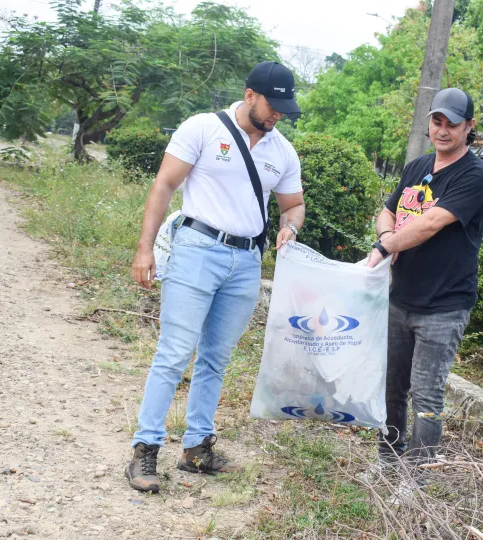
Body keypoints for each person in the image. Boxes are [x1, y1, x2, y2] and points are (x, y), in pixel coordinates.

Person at [125, 61, 306, 494]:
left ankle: (197, 448)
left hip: (245, 262)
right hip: (196, 250)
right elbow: (164, 186)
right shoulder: (203, 128)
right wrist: (145, 248)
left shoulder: (282, 151)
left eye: (285, 107)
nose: (278, 114)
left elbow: (293, 204)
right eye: (272, 104)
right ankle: (145, 449)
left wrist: (290, 226)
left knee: (215, 358)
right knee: (174, 352)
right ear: (249, 96)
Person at [361, 88, 483, 493]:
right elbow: (389, 210)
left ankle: (415, 481)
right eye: (437, 121)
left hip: (444, 306)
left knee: (427, 394)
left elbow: (431, 223)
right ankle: (387, 460)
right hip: (400, 298)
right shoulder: (417, 167)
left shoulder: (475, 175)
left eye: (453, 123)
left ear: (469, 127)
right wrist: (386, 234)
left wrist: (384, 247)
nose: (443, 129)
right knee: (390, 386)